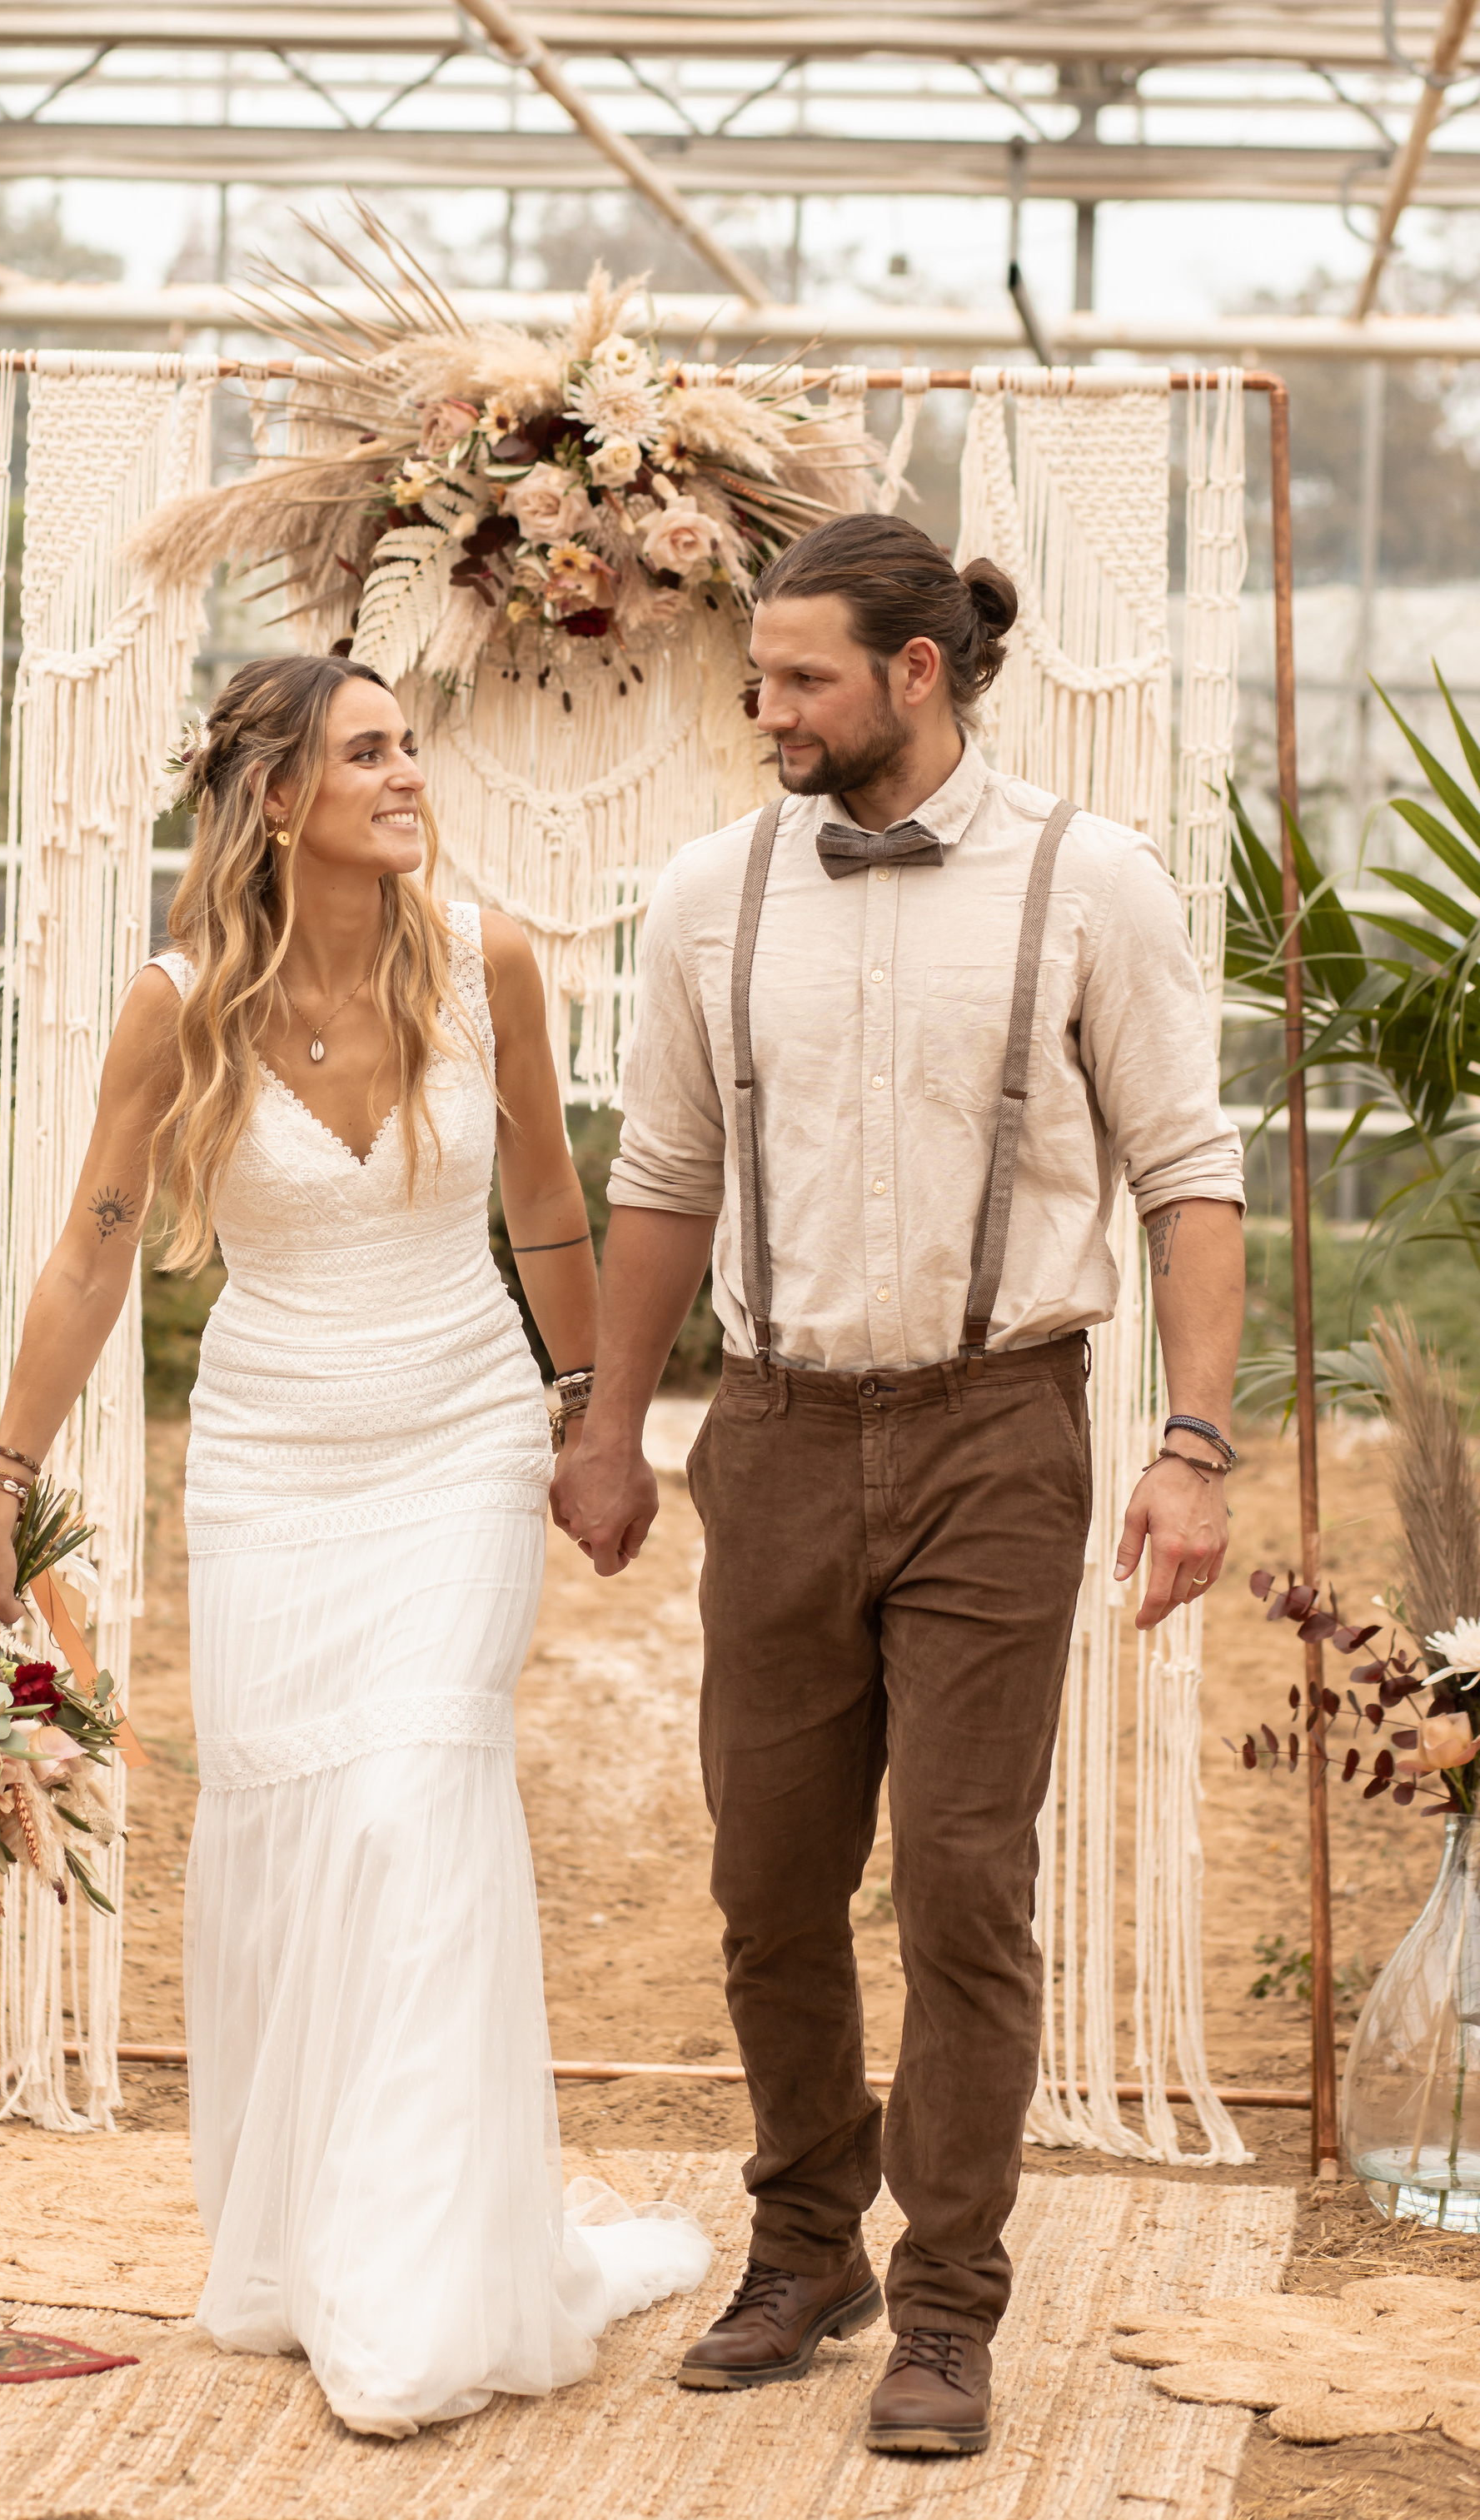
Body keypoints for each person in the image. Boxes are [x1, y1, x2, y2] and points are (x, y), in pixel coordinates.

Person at [0, 653, 708, 2438]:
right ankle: (304, 2240)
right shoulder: (177, 1003)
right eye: (366, 751)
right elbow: (89, 1253)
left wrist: (594, 1416)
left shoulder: (486, 959)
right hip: (274, 1468)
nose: (405, 772)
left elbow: (543, 1202)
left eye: (406, 743)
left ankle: (423, 2293)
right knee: (298, 1838)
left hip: (453, 1445)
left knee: (417, 1799)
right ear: (274, 799)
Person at [551, 513, 1246, 2459]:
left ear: (914, 675)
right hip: (767, 1435)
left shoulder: (1087, 882)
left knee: (959, 1878)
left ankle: (945, 2298)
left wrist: (1191, 1447)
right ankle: (803, 2243)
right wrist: (611, 1426)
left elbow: (1186, 1178)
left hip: (995, 1431)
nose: (763, 710)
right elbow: (660, 1182)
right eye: (757, 677)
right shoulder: (707, 894)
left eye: (798, 680)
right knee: (764, 1877)